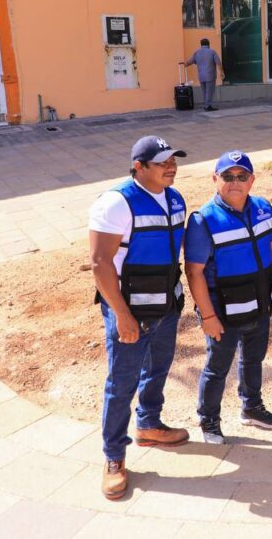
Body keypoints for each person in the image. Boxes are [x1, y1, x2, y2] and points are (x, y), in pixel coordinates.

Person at [88, 136, 190, 500]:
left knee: (158, 368)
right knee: (122, 383)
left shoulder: (176, 198)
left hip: (166, 306)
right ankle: (114, 457)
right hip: (129, 310)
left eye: (173, 160)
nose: (171, 166)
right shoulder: (116, 203)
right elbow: (101, 264)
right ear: (139, 167)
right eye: (162, 162)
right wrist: (122, 316)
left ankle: (149, 424)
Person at [185, 151, 272, 444]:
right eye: (227, 176)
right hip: (222, 310)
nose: (235, 182)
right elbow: (194, 272)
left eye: (242, 176)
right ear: (215, 179)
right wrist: (208, 317)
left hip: (259, 303)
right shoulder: (204, 220)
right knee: (217, 367)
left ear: (251, 180)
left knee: (254, 360)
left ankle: (252, 407)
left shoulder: (263, 207)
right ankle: (209, 420)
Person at [185, 38, 224, 111]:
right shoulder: (212, 52)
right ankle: (208, 106)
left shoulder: (197, 53)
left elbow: (189, 62)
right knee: (210, 91)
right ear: (209, 44)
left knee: (205, 91)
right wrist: (221, 72)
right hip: (210, 76)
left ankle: (206, 105)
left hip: (201, 76)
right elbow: (218, 63)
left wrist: (185, 64)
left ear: (201, 45)